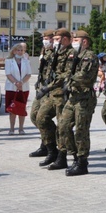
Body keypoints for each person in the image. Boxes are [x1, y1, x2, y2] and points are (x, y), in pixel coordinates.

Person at [56, 30, 100, 176]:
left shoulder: (90, 56)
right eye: (73, 39)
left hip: (84, 98)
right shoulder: (75, 56)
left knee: (81, 130)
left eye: (77, 40)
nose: (74, 42)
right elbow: (65, 71)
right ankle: (75, 155)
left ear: (85, 41)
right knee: (63, 126)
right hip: (73, 97)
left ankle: (82, 162)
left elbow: (84, 76)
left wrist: (68, 79)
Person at [35, 29, 74, 168]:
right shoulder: (55, 52)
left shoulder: (71, 53)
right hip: (52, 93)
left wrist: (47, 87)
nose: (53, 41)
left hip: (62, 94)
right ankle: (51, 150)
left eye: (56, 39)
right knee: (40, 118)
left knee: (62, 127)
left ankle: (62, 157)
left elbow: (65, 75)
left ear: (65, 39)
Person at [29, 30, 55, 157]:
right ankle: (46, 141)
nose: (45, 40)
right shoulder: (44, 51)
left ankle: (49, 144)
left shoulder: (56, 52)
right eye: (44, 38)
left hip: (50, 90)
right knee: (34, 116)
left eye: (47, 38)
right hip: (41, 88)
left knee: (42, 118)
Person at [4, 43, 32, 135]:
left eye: (22, 50)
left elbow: (28, 74)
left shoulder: (26, 61)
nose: (20, 52)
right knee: (12, 108)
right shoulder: (9, 61)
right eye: (18, 50)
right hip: (12, 87)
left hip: (23, 88)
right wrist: (16, 82)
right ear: (14, 51)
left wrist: (21, 83)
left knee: (21, 108)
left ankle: (21, 128)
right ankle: (11, 128)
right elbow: (8, 74)